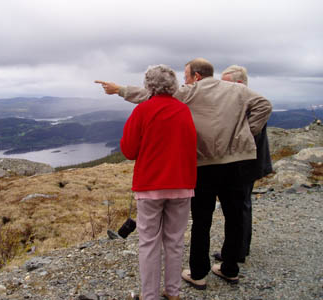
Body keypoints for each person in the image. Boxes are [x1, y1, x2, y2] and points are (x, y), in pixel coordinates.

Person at [95, 58, 272, 290]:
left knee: (201, 220)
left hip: (205, 164)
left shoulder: (191, 92)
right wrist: (246, 133)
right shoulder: (238, 90)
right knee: (236, 217)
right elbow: (264, 105)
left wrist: (119, 90)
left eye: (186, 76)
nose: (184, 81)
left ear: (196, 77)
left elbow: (151, 95)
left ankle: (198, 274)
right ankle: (230, 269)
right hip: (236, 163)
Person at [100, 65, 197, 300]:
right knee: (174, 241)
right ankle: (173, 292)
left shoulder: (143, 111)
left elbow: (129, 150)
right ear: (173, 85)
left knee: (149, 242)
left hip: (150, 185)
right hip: (182, 184)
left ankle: (150, 295)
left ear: (149, 86)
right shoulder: (183, 110)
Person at [212, 65, 273, 263]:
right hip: (247, 164)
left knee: (240, 207)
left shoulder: (249, 104)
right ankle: (240, 248)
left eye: (225, 83)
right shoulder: (244, 102)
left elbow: (249, 133)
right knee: (242, 206)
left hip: (245, 165)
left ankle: (237, 252)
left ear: (239, 84)